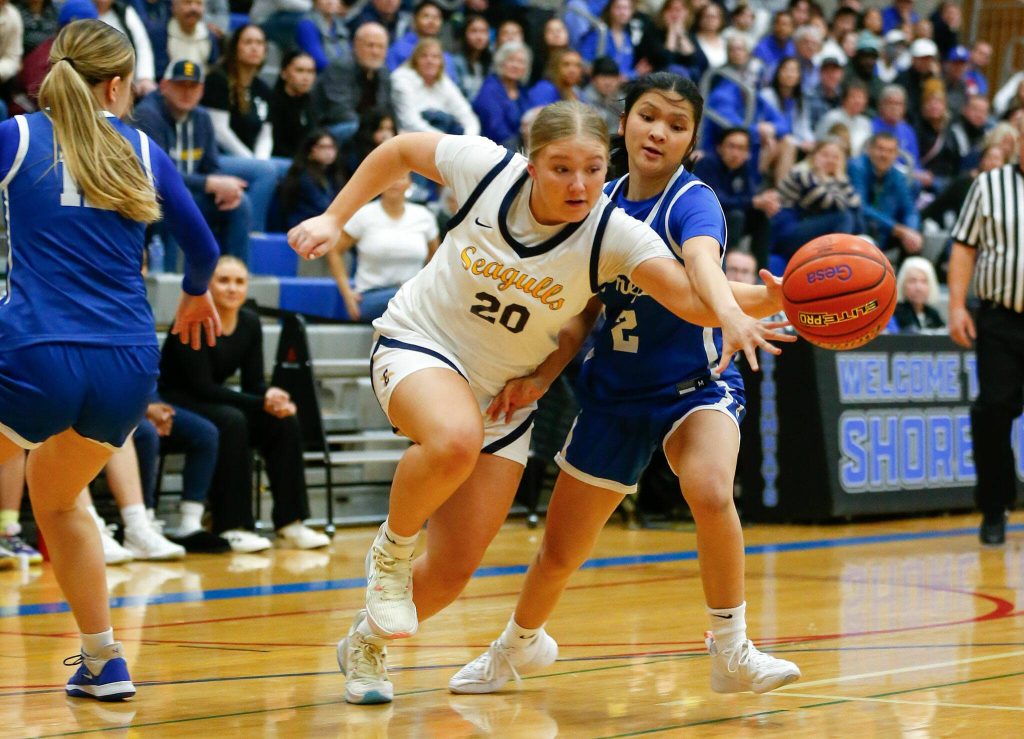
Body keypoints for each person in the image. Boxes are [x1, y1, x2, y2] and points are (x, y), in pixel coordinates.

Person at [288, 97, 791, 705]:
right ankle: (390, 553)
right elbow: (399, 150)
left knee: (450, 573)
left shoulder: (613, 233)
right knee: (452, 439)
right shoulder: (486, 168)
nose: (578, 184)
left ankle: (366, 644)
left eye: (591, 170)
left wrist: (775, 298)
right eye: (560, 168)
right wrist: (333, 217)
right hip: (420, 344)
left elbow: (690, 296)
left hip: (504, 396)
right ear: (531, 164)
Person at [447, 73, 801, 699]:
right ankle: (515, 647)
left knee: (711, 488)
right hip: (612, 394)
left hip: (697, 385)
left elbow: (702, 269)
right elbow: (581, 311)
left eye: (677, 124)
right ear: (624, 123)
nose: (659, 131)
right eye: (648, 116)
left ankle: (732, 648)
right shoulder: (595, 199)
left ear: (691, 141)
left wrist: (736, 313)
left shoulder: (695, 201)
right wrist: (541, 377)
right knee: (560, 551)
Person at [0, 18, 219, 700]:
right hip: (126, 365)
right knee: (60, 502)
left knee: (45, 495)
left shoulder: (17, 136)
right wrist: (193, 297)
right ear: (119, 84)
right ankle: (103, 660)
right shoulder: (146, 150)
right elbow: (205, 250)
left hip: (36, 350)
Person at [159, 256, 331, 553]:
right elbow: (201, 386)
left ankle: (291, 523)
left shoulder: (249, 322)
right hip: (178, 399)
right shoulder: (192, 318)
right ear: (207, 285)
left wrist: (272, 399)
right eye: (223, 280)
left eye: (239, 281)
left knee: (282, 421)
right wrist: (259, 401)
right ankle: (232, 526)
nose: (232, 288)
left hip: (215, 399)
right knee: (232, 420)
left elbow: (254, 385)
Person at [947, 116, 1024, 546]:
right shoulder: (988, 185)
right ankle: (995, 507)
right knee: (993, 410)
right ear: (1017, 141)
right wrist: (957, 305)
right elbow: (963, 246)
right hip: (1000, 317)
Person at [134, 58, 252, 268]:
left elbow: (212, 168)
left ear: (202, 90)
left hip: (191, 195)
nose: (187, 92)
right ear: (164, 86)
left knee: (240, 203)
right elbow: (158, 174)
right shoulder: (148, 114)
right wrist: (209, 184)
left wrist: (222, 190)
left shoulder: (202, 118)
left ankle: (234, 277)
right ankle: (169, 282)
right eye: (180, 85)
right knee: (175, 204)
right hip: (155, 198)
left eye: (193, 86)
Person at [202, 23, 285, 231]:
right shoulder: (218, 80)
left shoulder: (263, 88)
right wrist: (255, 163)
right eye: (248, 42)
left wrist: (260, 160)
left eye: (259, 43)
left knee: (293, 169)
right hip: (216, 157)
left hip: (249, 158)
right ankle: (253, 233)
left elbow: (266, 134)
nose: (255, 48)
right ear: (235, 47)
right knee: (266, 171)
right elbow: (220, 132)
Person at [324, 172, 438, 321]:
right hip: (372, 295)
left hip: (411, 295)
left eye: (401, 177)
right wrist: (347, 294)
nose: (394, 182)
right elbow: (334, 251)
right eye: (389, 178)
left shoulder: (424, 216)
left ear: (410, 184)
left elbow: (436, 258)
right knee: (401, 307)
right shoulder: (364, 214)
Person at [771, 137, 860, 262]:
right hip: (786, 232)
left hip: (806, 226)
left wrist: (838, 178)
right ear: (814, 155)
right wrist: (838, 179)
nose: (830, 160)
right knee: (843, 217)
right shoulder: (802, 173)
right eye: (825, 155)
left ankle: (846, 255)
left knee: (854, 218)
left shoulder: (831, 177)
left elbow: (856, 203)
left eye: (836, 157)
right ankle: (840, 259)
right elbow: (832, 203)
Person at [848, 132, 922, 265]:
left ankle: (904, 281)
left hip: (884, 230)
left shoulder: (898, 175)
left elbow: (910, 210)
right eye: (880, 149)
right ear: (870, 150)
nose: (884, 155)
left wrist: (910, 231)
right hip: (860, 227)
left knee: (913, 237)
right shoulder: (856, 167)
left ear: (896, 155)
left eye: (890, 151)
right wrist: (897, 228)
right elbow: (861, 206)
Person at [311, 21, 391, 145]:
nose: (375, 52)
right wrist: (370, 130)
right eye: (370, 45)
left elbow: (386, 109)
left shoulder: (383, 72)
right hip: (334, 129)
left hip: (368, 130)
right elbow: (339, 111)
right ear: (355, 45)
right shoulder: (341, 67)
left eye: (380, 47)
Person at [390, 37, 479, 137]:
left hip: (444, 137)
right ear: (415, 60)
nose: (430, 61)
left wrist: (468, 139)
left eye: (435, 57)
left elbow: (467, 116)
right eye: (424, 56)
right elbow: (410, 122)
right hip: (413, 139)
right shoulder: (402, 79)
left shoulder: (444, 82)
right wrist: (446, 140)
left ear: (441, 62)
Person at [279, 128, 346, 230]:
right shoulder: (303, 177)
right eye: (324, 147)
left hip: (323, 225)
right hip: (304, 227)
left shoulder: (332, 175)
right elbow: (323, 207)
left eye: (332, 147)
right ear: (311, 150)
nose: (329, 152)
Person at [472, 41, 535, 149]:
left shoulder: (522, 90)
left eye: (521, 62)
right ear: (501, 63)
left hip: (520, 147)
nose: (515, 65)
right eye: (511, 60)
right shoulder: (490, 89)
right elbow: (495, 130)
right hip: (493, 149)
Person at [269, 50, 317, 160]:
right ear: (284, 73)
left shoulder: (311, 102)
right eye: (300, 71)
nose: (306, 77)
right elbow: (275, 143)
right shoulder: (273, 102)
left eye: (310, 72)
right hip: (280, 160)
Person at [815, 80, 872, 157]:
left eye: (861, 97)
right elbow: (818, 144)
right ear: (844, 99)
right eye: (854, 97)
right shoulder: (832, 117)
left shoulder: (866, 123)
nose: (858, 101)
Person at [164, 0, 220, 76]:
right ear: (174, 8)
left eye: (199, 4)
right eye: (187, 3)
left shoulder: (210, 38)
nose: (194, 8)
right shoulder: (162, 35)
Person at [294, 0, 349, 73]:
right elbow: (319, 62)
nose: (330, 1)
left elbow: (349, 54)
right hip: (322, 79)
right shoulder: (307, 25)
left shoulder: (340, 24)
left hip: (344, 76)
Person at [891, 256, 943, 333]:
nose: (918, 288)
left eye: (924, 281)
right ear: (903, 284)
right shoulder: (894, 314)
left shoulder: (933, 314)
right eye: (912, 281)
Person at [451, 12, 490, 103]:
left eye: (483, 32)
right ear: (464, 34)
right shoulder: (455, 62)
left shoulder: (491, 64)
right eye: (474, 31)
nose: (479, 37)